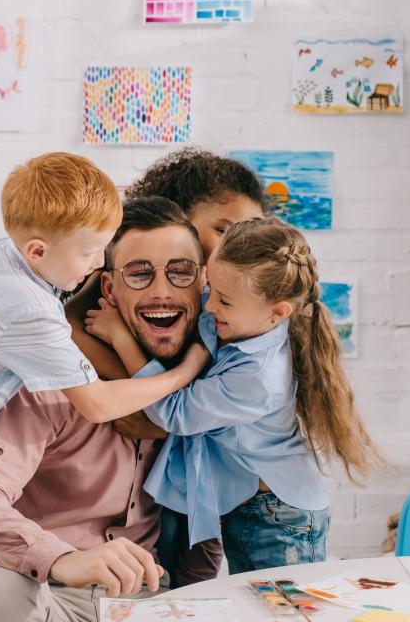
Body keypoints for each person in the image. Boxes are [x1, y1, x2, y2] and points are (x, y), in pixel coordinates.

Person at [0, 153, 206, 579]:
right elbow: (95, 403)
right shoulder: (26, 308)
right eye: (92, 253)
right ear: (38, 249)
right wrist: (180, 376)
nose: (96, 266)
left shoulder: (7, 254)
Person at [0, 197, 207, 622]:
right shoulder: (53, 385)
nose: (162, 290)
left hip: (153, 605)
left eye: (180, 272)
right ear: (108, 289)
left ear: (202, 283)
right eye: (140, 273)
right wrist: (63, 558)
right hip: (52, 594)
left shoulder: (213, 392)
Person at [86, 217, 380, 572]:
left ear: (277, 312)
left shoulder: (259, 378)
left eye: (223, 301)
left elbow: (174, 413)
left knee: (281, 617)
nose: (209, 307)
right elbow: (206, 317)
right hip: (246, 503)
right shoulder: (247, 315)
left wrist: (120, 337)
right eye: (211, 286)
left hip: (278, 517)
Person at [66, 147, 266, 587]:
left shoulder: (224, 304)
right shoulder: (105, 283)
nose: (237, 244)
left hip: (200, 485)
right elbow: (137, 415)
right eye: (223, 230)